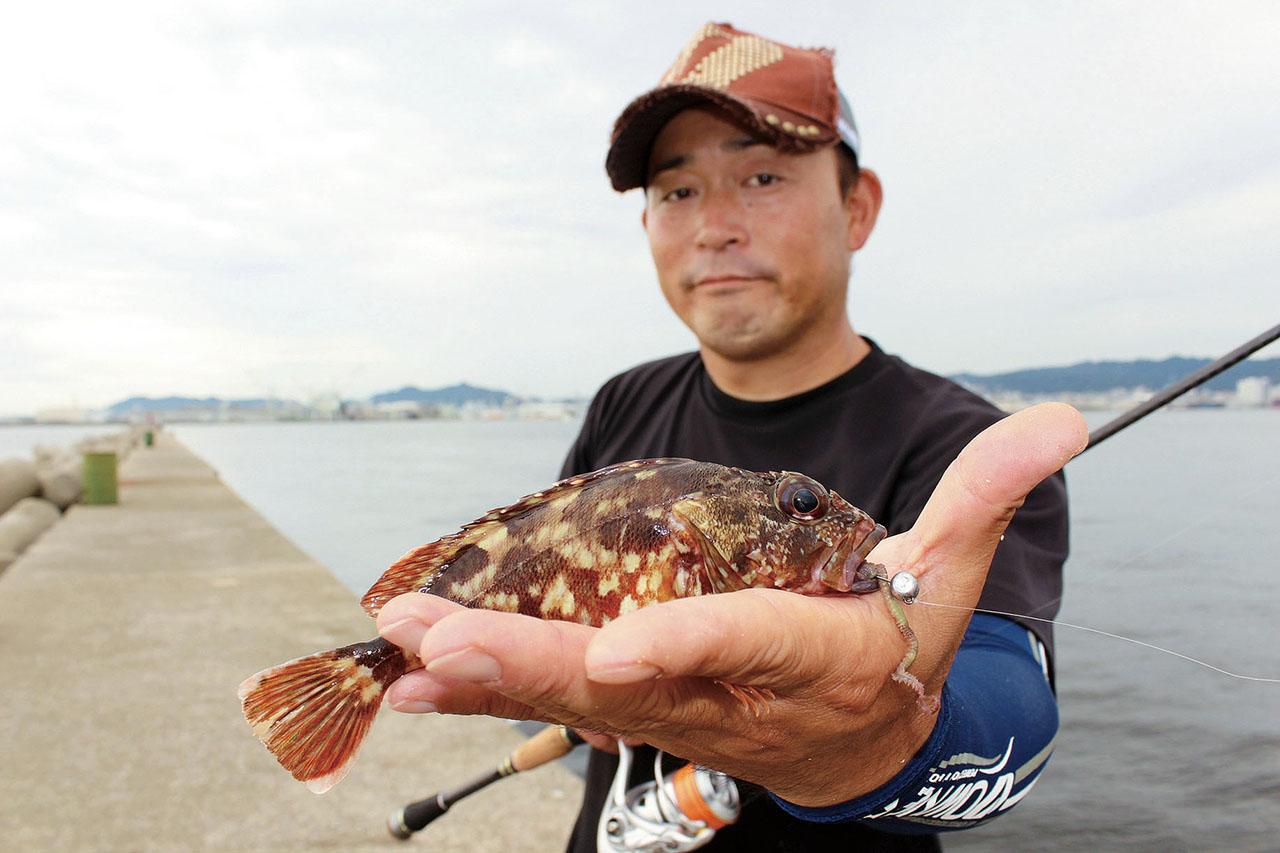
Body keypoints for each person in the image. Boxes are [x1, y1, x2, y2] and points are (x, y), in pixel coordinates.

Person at [377, 22, 1087, 851]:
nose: (715, 224)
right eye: (677, 191)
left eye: (760, 175)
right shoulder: (623, 401)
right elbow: (559, 589)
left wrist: (886, 739)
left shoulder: (960, 447)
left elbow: (1012, 708)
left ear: (856, 208)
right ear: (646, 225)